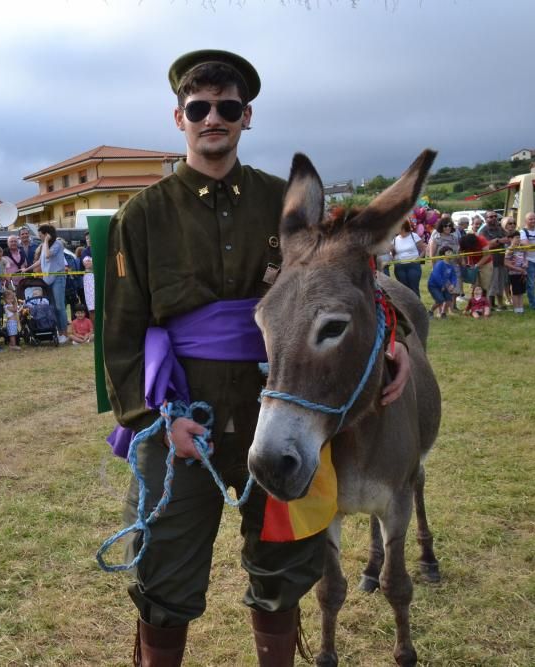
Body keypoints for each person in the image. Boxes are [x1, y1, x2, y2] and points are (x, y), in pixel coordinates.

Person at [102, 50, 410, 665]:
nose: (212, 118)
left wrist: (391, 341)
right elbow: (119, 331)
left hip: (283, 410)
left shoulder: (288, 205)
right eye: (199, 108)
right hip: (182, 415)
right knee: (164, 568)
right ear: (179, 117)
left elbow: (350, 285)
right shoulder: (141, 215)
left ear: (247, 117)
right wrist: (152, 418)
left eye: (227, 107)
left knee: (285, 565)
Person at [480, 213, 510, 309]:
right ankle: (489, 305)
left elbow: (508, 237)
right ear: (486, 219)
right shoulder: (484, 230)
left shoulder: (500, 228)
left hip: (501, 260)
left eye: (495, 216)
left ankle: (500, 304)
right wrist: (498, 241)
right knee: (492, 284)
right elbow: (484, 245)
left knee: (500, 283)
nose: (494, 218)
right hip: (490, 261)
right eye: (491, 217)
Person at [390, 221, 426, 297]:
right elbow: (392, 253)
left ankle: (417, 308)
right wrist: (392, 258)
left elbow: (423, 250)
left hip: (413, 265)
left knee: (414, 288)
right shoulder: (395, 240)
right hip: (399, 267)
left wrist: (418, 259)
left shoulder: (414, 236)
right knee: (403, 289)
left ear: (403, 227)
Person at [426, 248, 457, 318]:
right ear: (443, 255)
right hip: (434, 285)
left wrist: (453, 284)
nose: (451, 253)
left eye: (451, 252)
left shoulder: (451, 266)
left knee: (449, 299)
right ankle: (430, 311)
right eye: (448, 252)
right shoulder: (440, 264)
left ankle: (443, 313)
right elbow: (436, 275)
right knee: (440, 300)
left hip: (443, 285)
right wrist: (442, 285)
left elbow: (453, 276)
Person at [505, 232, 528, 314]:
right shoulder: (510, 249)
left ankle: (521, 308)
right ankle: (516, 309)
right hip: (514, 273)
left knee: (521, 292)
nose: (519, 239)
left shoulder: (521, 248)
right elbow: (506, 262)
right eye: (516, 237)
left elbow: (525, 257)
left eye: (519, 237)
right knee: (515, 292)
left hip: (522, 273)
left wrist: (525, 264)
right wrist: (518, 269)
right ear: (511, 239)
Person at [521, 212, 535, 311]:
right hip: (529, 261)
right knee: (530, 284)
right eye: (531, 219)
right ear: (526, 220)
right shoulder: (522, 232)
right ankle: (534, 304)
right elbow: (527, 246)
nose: (533, 221)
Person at [82, 255, 96, 325]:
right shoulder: (86, 274)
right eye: (86, 262)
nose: (87, 263)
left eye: (89, 261)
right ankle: (94, 329)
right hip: (89, 290)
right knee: (91, 309)